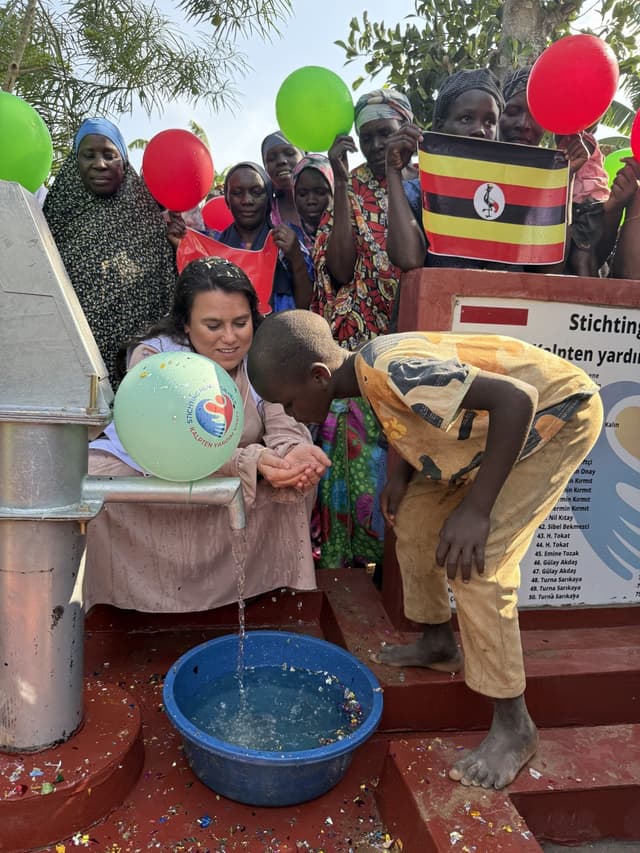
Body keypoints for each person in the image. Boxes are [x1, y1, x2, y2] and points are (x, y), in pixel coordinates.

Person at [247, 309, 603, 790]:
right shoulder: (364, 372)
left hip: (553, 417)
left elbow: (517, 399)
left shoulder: (392, 369)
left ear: (318, 377)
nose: (288, 414)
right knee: (413, 521)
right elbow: (407, 418)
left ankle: (515, 726)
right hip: (488, 435)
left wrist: (477, 510)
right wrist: (399, 476)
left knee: (481, 564)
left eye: (288, 402)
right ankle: (439, 643)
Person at [84, 259, 330, 614]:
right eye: (213, 325)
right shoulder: (156, 356)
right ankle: (129, 598)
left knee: (292, 482)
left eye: (240, 323)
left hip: (235, 471)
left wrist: (293, 453)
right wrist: (253, 461)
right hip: (151, 466)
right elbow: (175, 444)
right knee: (97, 486)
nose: (229, 338)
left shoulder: (263, 356)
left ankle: (256, 592)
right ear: (186, 324)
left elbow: (283, 420)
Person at [309, 89, 416, 572]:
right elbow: (340, 267)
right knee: (352, 458)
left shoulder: (429, 186)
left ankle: (391, 571)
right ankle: (349, 565)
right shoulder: (347, 188)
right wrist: (339, 183)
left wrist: (398, 175)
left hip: (410, 341)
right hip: (355, 350)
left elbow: (410, 259)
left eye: (385, 134)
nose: (375, 146)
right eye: (366, 136)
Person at [43, 118, 179, 388]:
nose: (99, 164)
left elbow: (171, 290)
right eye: (88, 155)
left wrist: (177, 247)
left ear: (123, 161)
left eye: (109, 155)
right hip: (72, 366)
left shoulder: (148, 221)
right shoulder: (53, 219)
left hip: (139, 366)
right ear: (75, 161)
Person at [217, 161, 312, 312]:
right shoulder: (215, 247)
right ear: (227, 199)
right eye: (237, 192)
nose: (247, 201)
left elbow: (306, 307)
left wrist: (296, 259)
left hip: (281, 332)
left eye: (256, 192)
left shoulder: (288, 240)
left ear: (268, 197)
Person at [289, 153, 335, 307]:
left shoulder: (349, 233)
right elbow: (303, 306)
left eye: (320, 192)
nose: (311, 201)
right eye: (302, 194)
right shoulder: (290, 240)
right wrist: (296, 257)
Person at [261, 130, 304, 228]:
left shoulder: (330, 200)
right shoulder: (264, 213)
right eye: (271, 158)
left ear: (305, 158)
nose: (281, 161)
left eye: (289, 153)